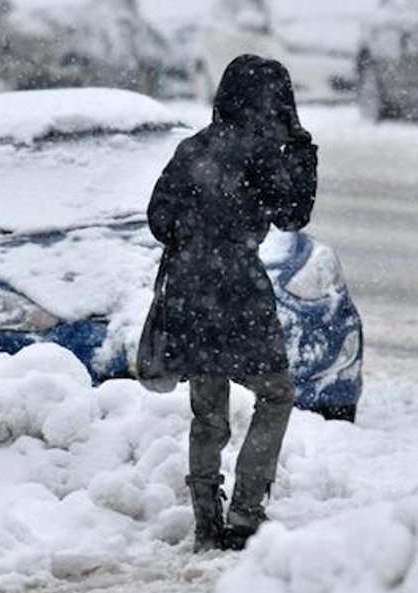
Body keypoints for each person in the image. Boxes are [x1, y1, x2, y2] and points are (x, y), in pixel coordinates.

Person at [146, 54, 318, 552]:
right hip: (239, 289)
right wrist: (302, 149)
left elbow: (159, 219)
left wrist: (196, 236)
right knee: (276, 393)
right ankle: (245, 510)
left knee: (208, 410)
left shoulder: (191, 149)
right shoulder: (263, 153)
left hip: (189, 291)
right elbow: (293, 216)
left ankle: (206, 520)